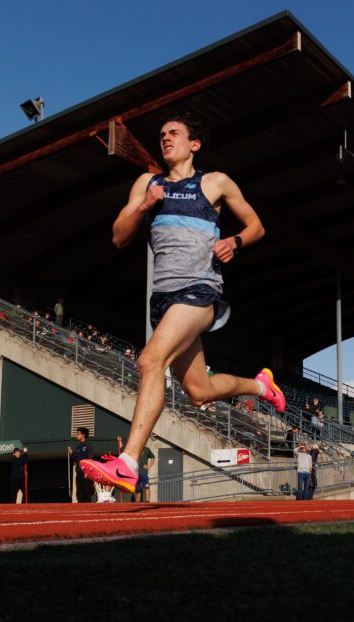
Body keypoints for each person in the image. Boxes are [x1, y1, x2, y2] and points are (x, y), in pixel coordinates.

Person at [81, 113, 285, 494]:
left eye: (173, 133)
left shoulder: (215, 182)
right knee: (199, 391)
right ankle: (261, 387)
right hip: (164, 299)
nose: (165, 139)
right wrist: (144, 205)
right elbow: (118, 237)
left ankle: (128, 463)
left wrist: (235, 241)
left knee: (149, 360)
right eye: (161, 135)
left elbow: (256, 225)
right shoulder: (147, 183)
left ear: (194, 144)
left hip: (200, 291)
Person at [68, 427, 92, 503]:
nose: (76, 435)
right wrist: (71, 453)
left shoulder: (88, 445)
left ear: (83, 435)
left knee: (87, 492)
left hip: (86, 473)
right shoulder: (78, 447)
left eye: (78, 434)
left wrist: (87, 472)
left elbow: (90, 459)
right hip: (79, 472)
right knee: (79, 492)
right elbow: (76, 460)